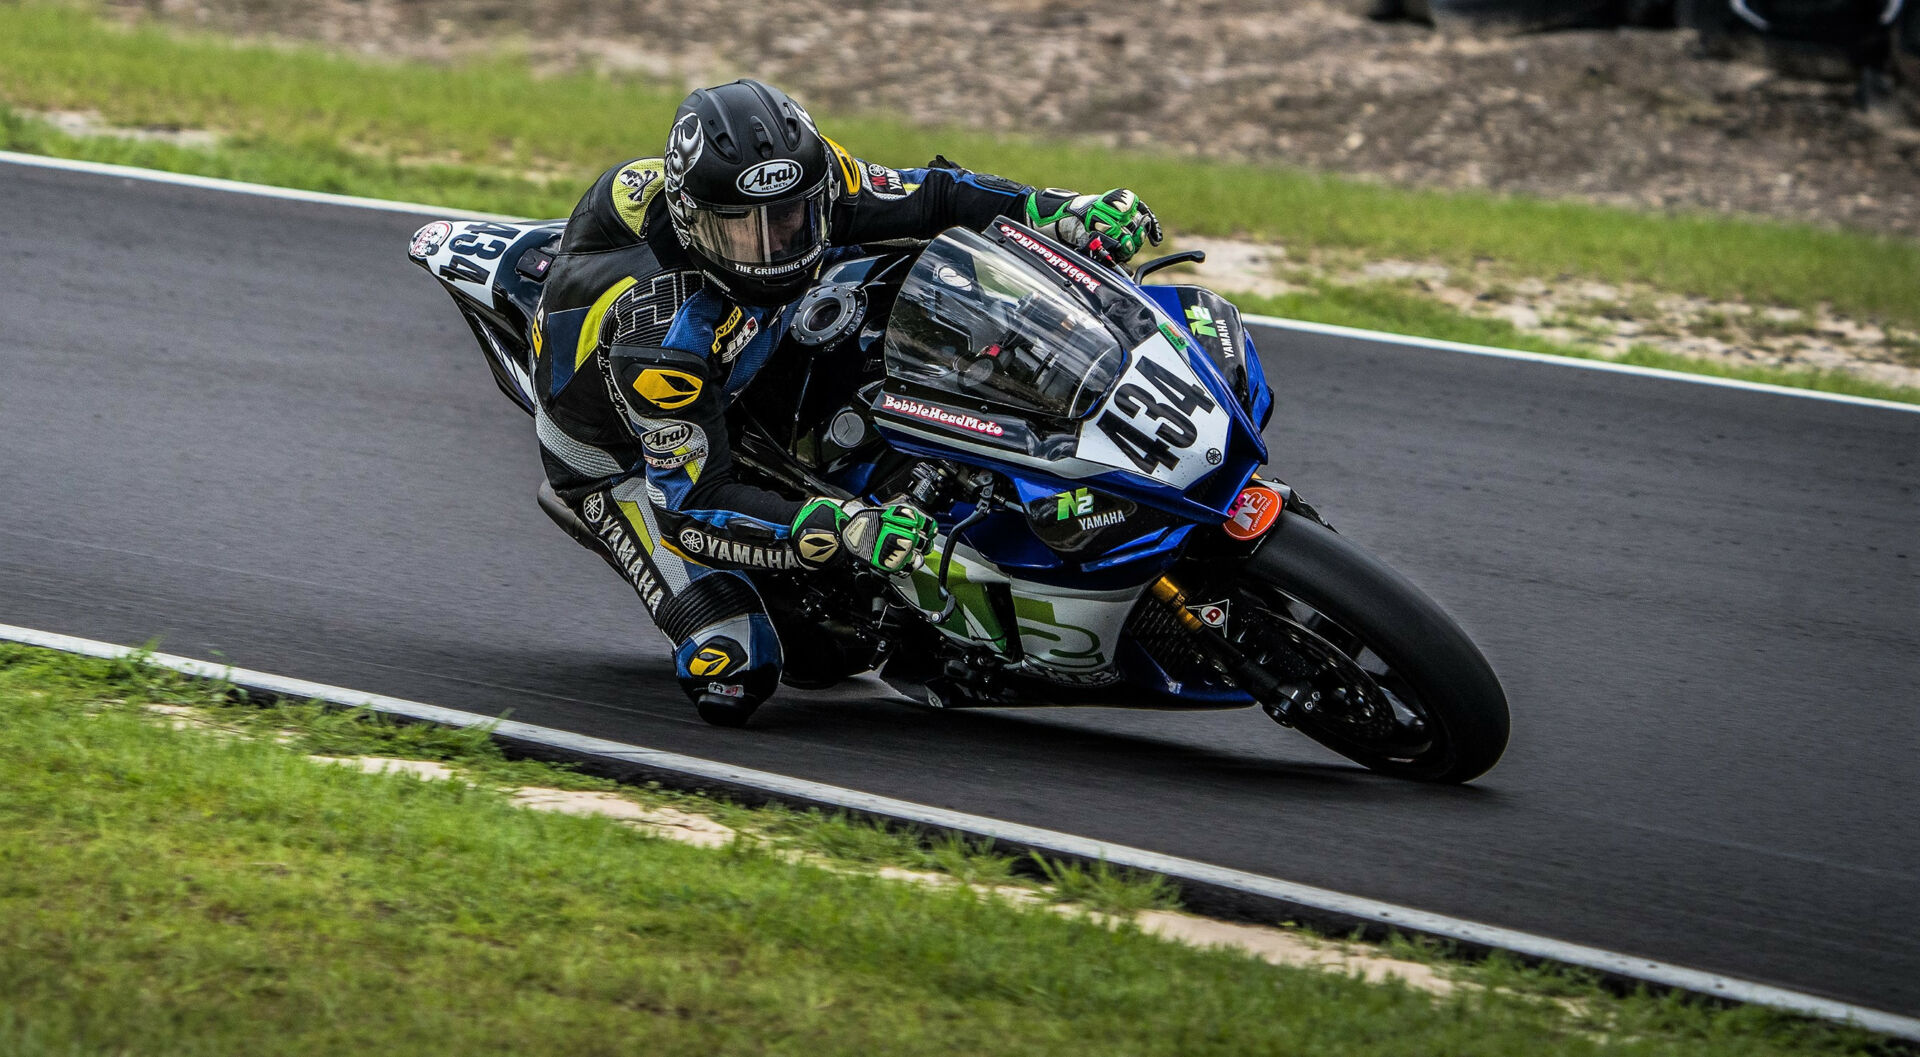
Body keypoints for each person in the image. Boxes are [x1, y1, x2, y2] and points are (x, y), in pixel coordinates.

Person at [532, 79, 1161, 726]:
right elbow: (689, 508)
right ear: (695, 222)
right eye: (743, 231)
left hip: (756, 341)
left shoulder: (818, 177)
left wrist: (1060, 209)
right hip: (624, 460)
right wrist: (845, 525)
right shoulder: (659, 341)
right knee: (734, 671)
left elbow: (933, 196)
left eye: (788, 217)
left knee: (930, 274)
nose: (776, 245)